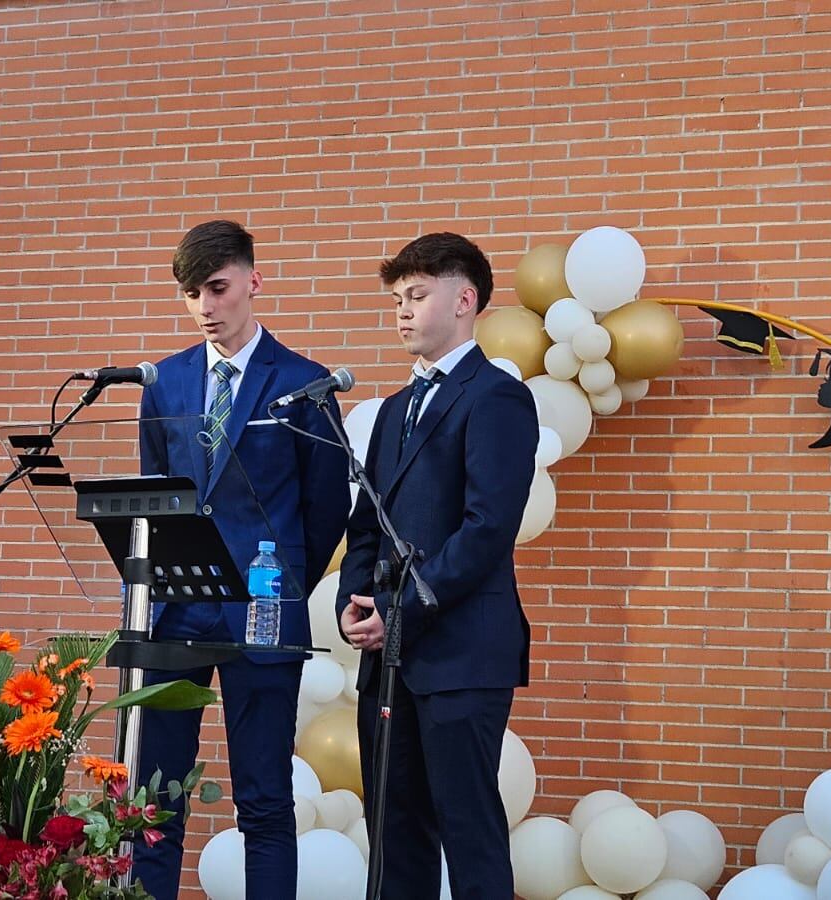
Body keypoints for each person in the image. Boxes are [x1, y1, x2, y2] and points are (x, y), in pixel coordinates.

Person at [136, 220, 350, 898]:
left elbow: (326, 511)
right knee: (153, 802)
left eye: (218, 288)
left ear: (253, 283)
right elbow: (153, 497)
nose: (205, 306)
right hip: (174, 615)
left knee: (263, 801)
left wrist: (283, 586)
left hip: (262, 613)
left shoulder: (303, 384)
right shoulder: (163, 383)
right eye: (191, 293)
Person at [336, 232, 537, 899]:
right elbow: (366, 522)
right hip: (387, 661)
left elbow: (486, 531)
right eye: (397, 298)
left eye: (416, 295)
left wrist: (400, 614)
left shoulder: (497, 398)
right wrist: (354, 600)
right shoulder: (392, 411)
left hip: (461, 655)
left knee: (467, 825)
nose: (401, 310)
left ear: (464, 299)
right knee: (394, 829)